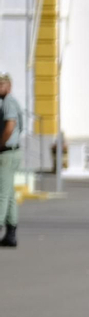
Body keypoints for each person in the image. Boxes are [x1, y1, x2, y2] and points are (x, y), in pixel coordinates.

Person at [0, 72, 21, 247]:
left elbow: (10, 125)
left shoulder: (7, 102)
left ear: (8, 86)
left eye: (1, 85)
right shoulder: (9, 102)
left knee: (2, 193)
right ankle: (11, 233)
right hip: (13, 151)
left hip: (6, 152)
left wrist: (0, 144)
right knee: (10, 194)